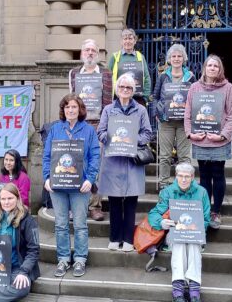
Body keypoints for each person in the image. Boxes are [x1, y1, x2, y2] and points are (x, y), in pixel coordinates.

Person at [42, 93, 100, 277]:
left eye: (74, 107)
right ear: (63, 110)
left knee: (81, 225)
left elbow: (95, 157)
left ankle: (80, 259)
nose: (71, 110)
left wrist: (90, 179)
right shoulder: (55, 129)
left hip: (80, 187)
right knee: (60, 224)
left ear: (80, 109)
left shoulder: (88, 130)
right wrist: (46, 178)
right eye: (67, 107)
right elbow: (47, 156)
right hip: (58, 187)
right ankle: (64, 259)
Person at [97, 73, 152, 252]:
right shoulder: (108, 109)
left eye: (128, 88)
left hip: (132, 161)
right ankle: (115, 237)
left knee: (130, 202)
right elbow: (100, 132)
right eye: (122, 87)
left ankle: (128, 238)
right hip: (113, 161)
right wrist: (111, 137)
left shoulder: (141, 110)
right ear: (116, 89)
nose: (125, 90)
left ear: (133, 91)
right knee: (114, 202)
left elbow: (147, 133)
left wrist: (131, 139)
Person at [184, 54, 232, 229]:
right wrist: (190, 134)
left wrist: (223, 135)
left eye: (216, 66)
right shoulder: (194, 88)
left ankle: (216, 211)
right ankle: (206, 210)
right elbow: (188, 114)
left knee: (218, 174)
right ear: (204, 68)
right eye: (210, 65)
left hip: (219, 141)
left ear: (220, 69)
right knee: (204, 176)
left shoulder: (227, 88)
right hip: (201, 140)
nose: (213, 68)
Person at [148, 162, 210, 302]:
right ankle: (178, 288)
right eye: (180, 176)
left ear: (192, 177)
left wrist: (198, 228)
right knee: (180, 243)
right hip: (175, 233)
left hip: (195, 232)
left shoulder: (202, 192)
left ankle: (194, 288)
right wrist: (161, 222)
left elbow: (206, 218)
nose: (183, 180)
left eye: (187, 177)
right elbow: (154, 213)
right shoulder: (168, 191)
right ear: (176, 176)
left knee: (193, 245)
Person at [69, 38, 112, 221]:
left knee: (96, 164)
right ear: (81, 54)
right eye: (87, 50)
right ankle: (76, 206)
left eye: (93, 50)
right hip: (77, 124)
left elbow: (108, 102)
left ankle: (95, 206)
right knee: (76, 164)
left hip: (97, 123)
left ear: (98, 54)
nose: (90, 53)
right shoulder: (73, 73)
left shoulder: (105, 73)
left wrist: (103, 126)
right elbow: (70, 101)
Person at [153, 44, 195, 186]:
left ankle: (185, 184)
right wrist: (157, 112)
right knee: (165, 156)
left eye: (179, 56)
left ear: (184, 59)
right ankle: (164, 184)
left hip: (184, 122)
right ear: (169, 59)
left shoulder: (190, 77)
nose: (176, 59)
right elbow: (156, 96)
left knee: (184, 156)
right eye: (173, 56)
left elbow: (195, 98)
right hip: (166, 122)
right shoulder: (163, 76)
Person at [108, 28, 151, 105]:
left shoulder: (141, 57)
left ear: (135, 41)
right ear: (121, 41)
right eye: (125, 39)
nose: (127, 41)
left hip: (137, 99)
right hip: (119, 99)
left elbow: (147, 78)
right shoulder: (114, 57)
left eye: (130, 39)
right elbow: (107, 78)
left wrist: (145, 97)